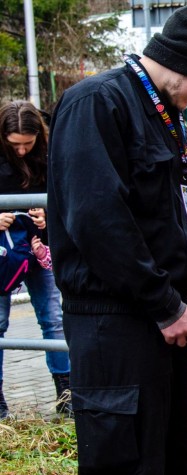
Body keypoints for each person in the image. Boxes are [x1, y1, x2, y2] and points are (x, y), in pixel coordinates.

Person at [46, 4, 187, 475]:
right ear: (177, 60)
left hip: (171, 326)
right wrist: (165, 306)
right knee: (127, 473)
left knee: (171, 466)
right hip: (117, 324)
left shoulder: (178, 132)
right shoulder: (98, 104)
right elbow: (96, 220)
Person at [0, 100, 70, 419]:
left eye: (28, 144)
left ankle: (66, 393)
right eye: (15, 145)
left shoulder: (50, 150)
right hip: (4, 251)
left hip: (39, 248)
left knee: (53, 319)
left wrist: (47, 214)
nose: (22, 151)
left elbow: (63, 194)